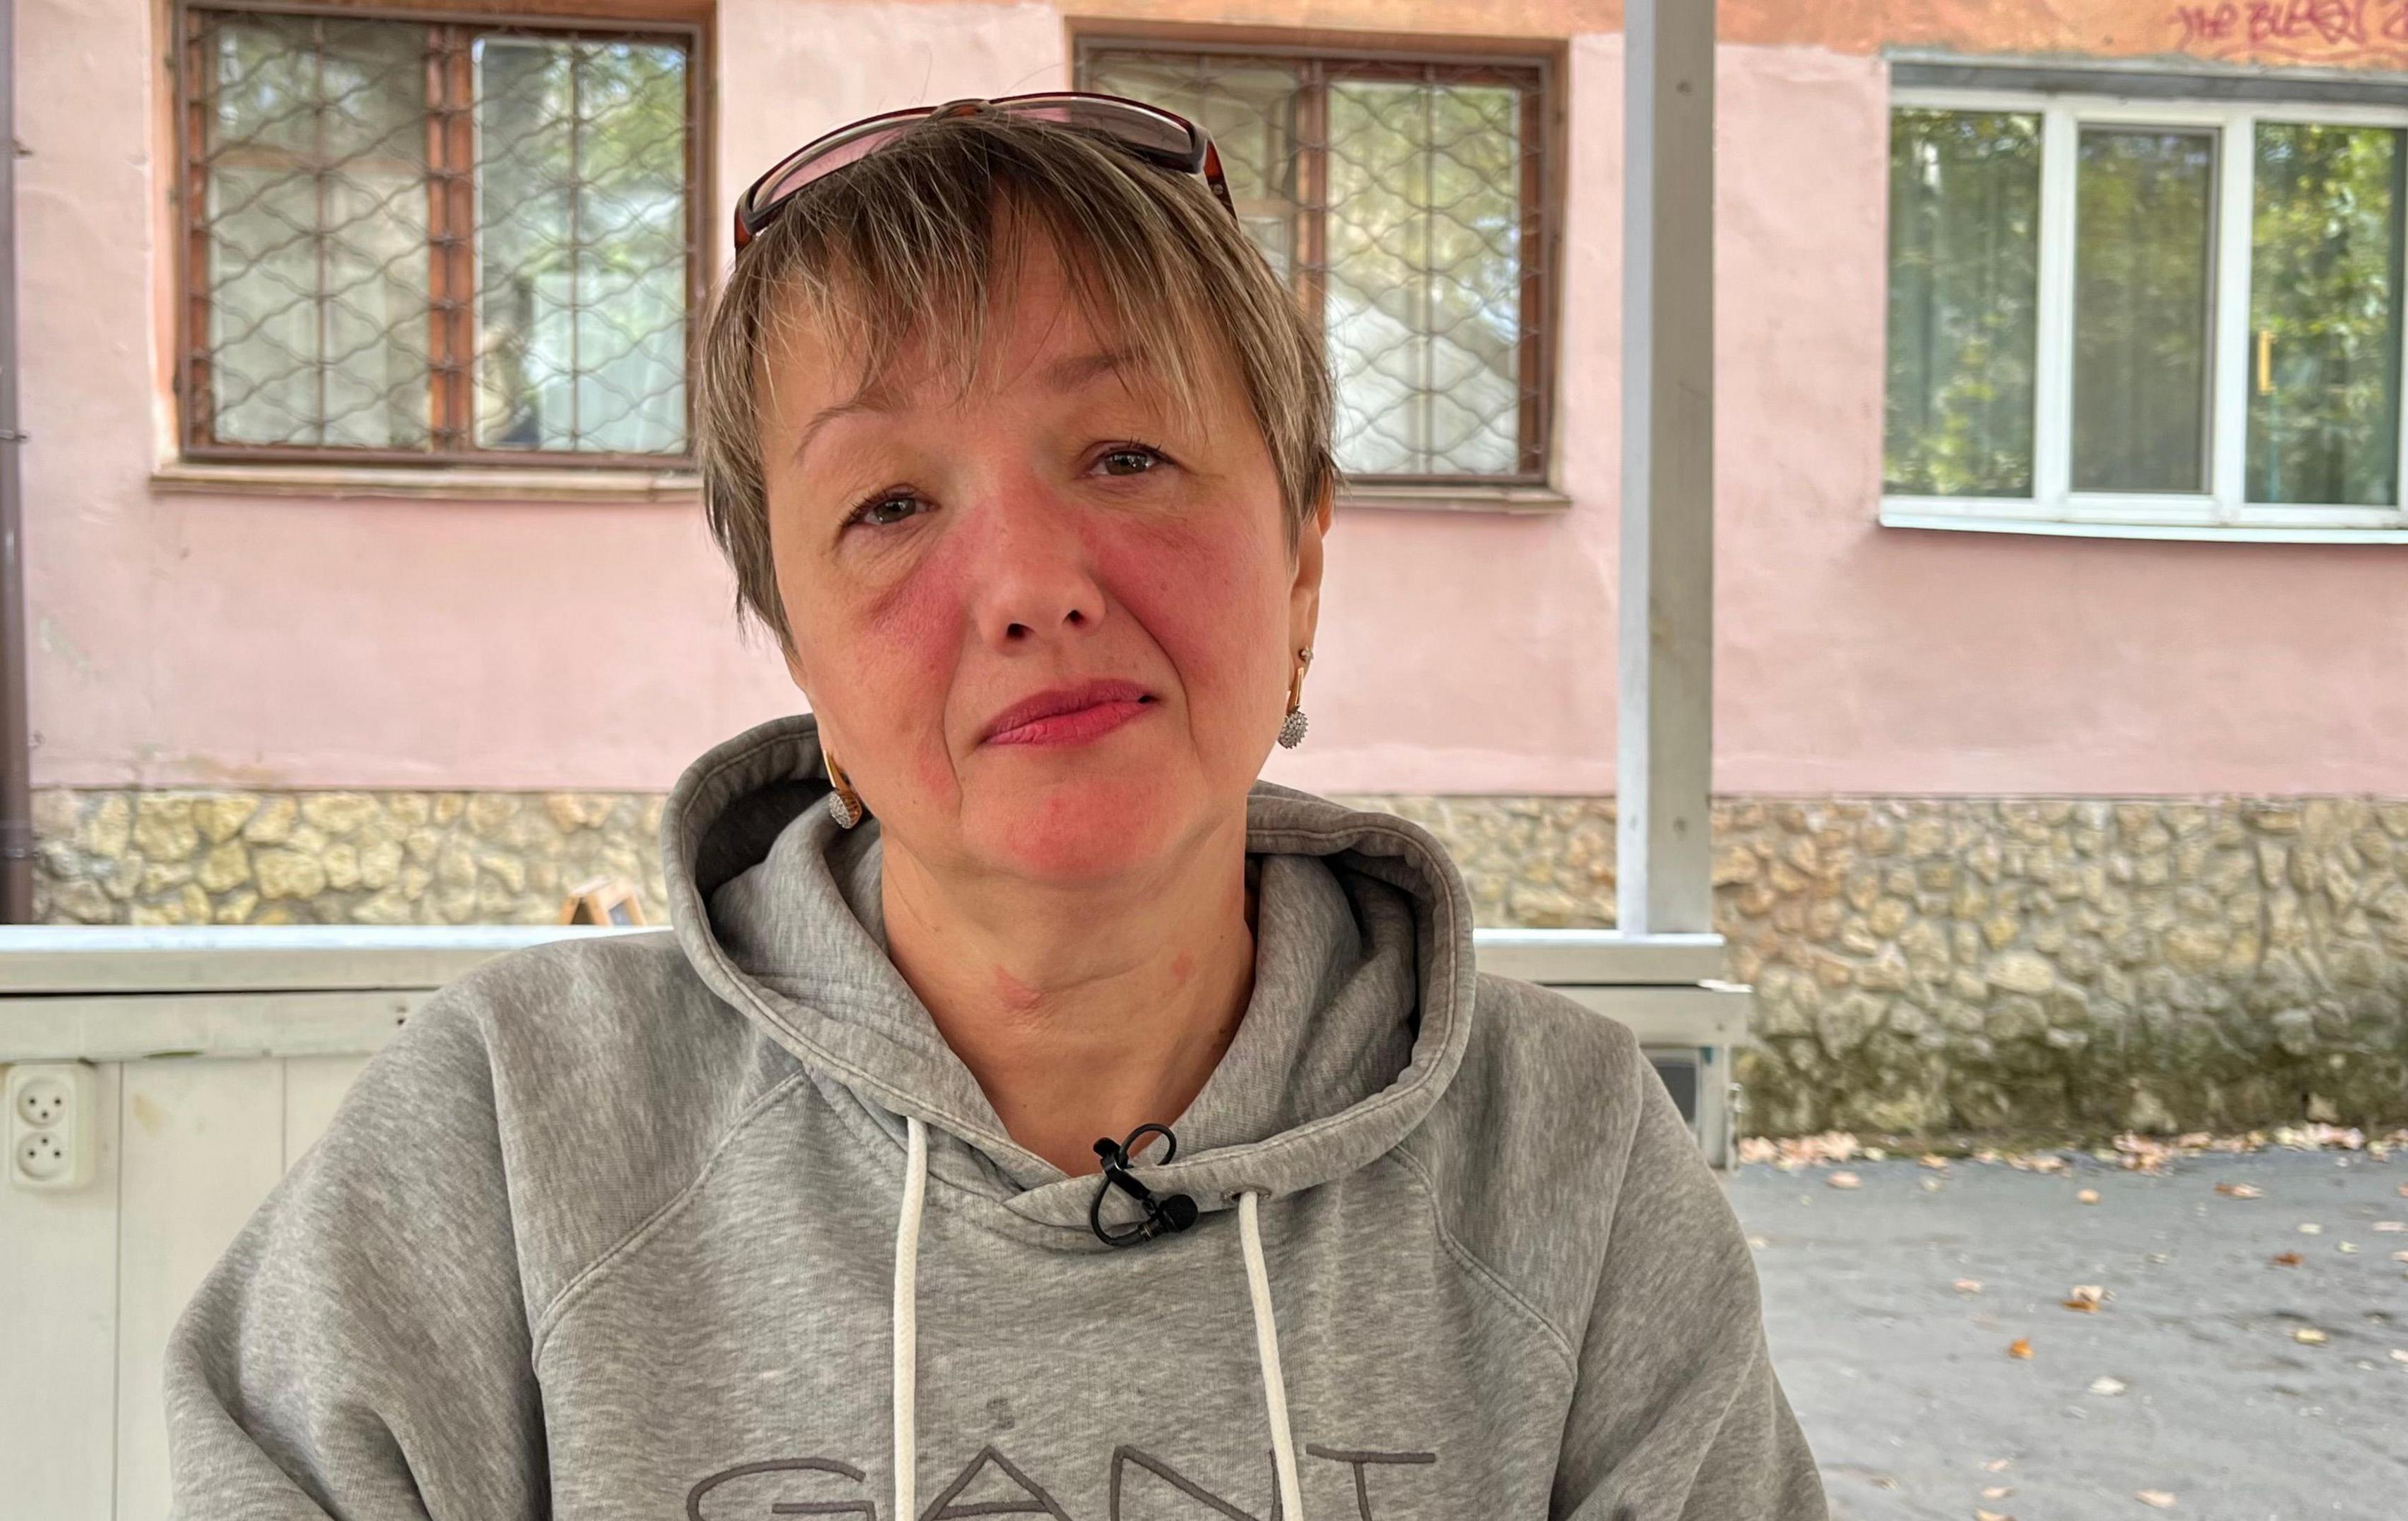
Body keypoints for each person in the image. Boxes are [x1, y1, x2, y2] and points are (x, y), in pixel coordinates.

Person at [166, 94, 1828, 1520]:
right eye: (889, 502)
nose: (1032, 585)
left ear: (1304, 560)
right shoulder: (513, 1130)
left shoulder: (1570, 1155)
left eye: (1124, 457)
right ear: (796, 644)